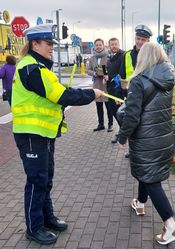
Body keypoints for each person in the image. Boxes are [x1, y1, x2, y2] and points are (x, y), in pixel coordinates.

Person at [12, 24, 103, 245]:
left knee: (45, 179)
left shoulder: (39, 67)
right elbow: (61, 95)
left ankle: (47, 218)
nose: (52, 47)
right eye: (49, 43)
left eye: (53, 43)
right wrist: (93, 93)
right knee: (36, 181)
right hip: (31, 135)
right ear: (35, 44)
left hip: (43, 133)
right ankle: (34, 228)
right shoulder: (30, 68)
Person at [117, 42, 175, 245]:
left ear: (143, 57)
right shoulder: (167, 78)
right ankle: (140, 202)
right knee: (146, 172)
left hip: (145, 138)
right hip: (163, 135)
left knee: (151, 180)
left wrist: (122, 137)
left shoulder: (138, 80)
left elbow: (133, 115)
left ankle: (171, 225)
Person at [119, 24, 152, 156]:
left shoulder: (151, 55)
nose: (139, 42)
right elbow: (122, 76)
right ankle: (133, 149)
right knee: (129, 120)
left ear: (148, 41)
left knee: (143, 124)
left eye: (143, 40)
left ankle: (143, 149)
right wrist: (121, 95)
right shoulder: (127, 55)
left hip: (147, 96)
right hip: (130, 94)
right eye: (138, 38)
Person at [87, 38, 113, 132]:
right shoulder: (92, 58)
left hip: (106, 84)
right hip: (97, 84)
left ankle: (110, 124)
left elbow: (112, 69)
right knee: (99, 106)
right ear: (95, 46)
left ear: (103, 46)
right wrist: (93, 73)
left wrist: (107, 75)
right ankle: (101, 124)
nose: (98, 46)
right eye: (96, 45)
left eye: (100, 45)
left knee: (108, 106)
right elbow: (88, 70)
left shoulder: (108, 56)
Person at [103, 38, 124, 143]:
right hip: (110, 90)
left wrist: (110, 77)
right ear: (109, 46)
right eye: (112, 44)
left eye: (116, 44)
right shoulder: (109, 58)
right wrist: (105, 78)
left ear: (118, 44)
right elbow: (109, 72)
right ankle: (122, 131)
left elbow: (121, 73)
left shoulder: (123, 56)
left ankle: (122, 133)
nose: (114, 46)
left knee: (119, 112)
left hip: (119, 90)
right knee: (113, 111)